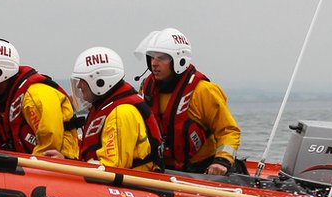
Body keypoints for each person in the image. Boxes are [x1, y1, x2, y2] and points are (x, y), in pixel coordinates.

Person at [135, 28, 241, 175]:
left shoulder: (203, 91)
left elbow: (228, 130)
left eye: (162, 58)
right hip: (162, 167)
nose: (154, 63)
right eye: (152, 57)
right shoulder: (147, 89)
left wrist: (222, 160)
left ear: (180, 60)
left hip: (203, 170)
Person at [0, 38, 79, 159]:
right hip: (31, 160)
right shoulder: (6, 96)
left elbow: (49, 145)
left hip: (63, 163)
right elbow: (9, 133)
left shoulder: (34, 97)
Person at [44, 46, 162, 172]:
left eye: (83, 81)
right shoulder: (107, 108)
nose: (79, 86)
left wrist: (67, 167)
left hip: (131, 182)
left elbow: (108, 170)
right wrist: (66, 160)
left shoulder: (121, 114)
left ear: (100, 82)